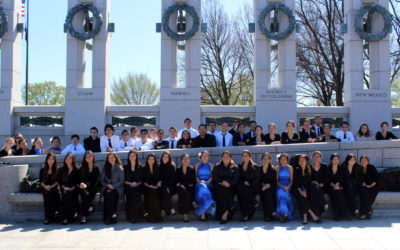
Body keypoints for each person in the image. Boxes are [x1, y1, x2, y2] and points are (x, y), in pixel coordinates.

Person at [292, 155, 320, 224]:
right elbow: (295, 183)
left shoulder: (309, 169)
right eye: (300, 160)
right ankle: (311, 214)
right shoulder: (296, 169)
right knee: (302, 197)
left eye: (303, 160)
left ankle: (305, 217)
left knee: (305, 196)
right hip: (296, 189)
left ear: (306, 161)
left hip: (306, 189)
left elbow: (308, 182)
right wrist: (301, 191)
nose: (301, 162)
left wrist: (305, 190)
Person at [213, 151, 239, 224]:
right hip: (219, 185)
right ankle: (230, 207)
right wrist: (223, 182)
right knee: (220, 190)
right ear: (222, 158)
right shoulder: (217, 166)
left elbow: (236, 179)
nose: (226, 158)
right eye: (224, 157)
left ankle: (224, 214)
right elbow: (215, 177)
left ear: (230, 158)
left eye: (227, 157)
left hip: (230, 187)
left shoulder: (235, 167)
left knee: (227, 192)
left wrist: (229, 184)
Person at [100, 152, 124, 224]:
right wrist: (107, 185)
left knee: (112, 194)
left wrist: (114, 186)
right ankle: (111, 216)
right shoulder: (105, 168)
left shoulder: (120, 168)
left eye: (112, 157)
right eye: (109, 158)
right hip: (107, 187)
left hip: (117, 188)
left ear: (115, 158)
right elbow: (102, 180)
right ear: (107, 159)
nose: (111, 159)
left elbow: (122, 180)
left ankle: (109, 217)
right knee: (107, 194)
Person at [236, 150, 259, 222]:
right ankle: (253, 202)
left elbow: (257, 179)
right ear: (242, 157)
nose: (245, 157)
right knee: (242, 192)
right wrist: (244, 182)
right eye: (243, 156)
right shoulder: (239, 166)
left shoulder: (255, 167)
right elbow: (238, 178)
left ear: (250, 157)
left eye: (246, 156)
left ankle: (246, 215)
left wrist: (249, 184)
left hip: (252, 187)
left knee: (243, 194)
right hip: (243, 187)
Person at [57, 152, 80, 225]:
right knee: (66, 194)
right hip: (64, 188)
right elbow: (59, 180)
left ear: (73, 160)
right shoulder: (61, 169)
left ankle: (65, 218)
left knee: (68, 195)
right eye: (67, 158)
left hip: (73, 189)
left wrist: (73, 187)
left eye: (70, 158)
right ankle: (72, 213)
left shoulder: (76, 170)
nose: (68, 160)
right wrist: (63, 187)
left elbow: (78, 181)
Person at [78, 150, 100, 224]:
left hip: (93, 187)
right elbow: (79, 179)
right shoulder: (82, 167)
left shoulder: (96, 168)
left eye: (90, 156)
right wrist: (81, 183)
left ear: (93, 157)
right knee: (85, 193)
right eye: (86, 156)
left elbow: (96, 181)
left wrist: (87, 185)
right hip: (83, 187)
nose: (88, 157)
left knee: (86, 194)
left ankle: (84, 216)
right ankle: (90, 207)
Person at [327, 153, 350, 221]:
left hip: (338, 186)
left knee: (338, 194)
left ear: (339, 160)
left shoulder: (341, 168)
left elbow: (341, 178)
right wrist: (334, 185)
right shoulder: (328, 168)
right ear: (331, 160)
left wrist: (337, 185)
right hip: (329, 186)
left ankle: (338, 214)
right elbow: (327, 180)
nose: (336, 161)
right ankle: (342, 214)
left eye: (337, 159)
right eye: (334, 159)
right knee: (336, 193)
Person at [124, 150, 145, 223]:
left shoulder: (140, 166)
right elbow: (123, 180)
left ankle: (137, 215)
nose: (132, 157)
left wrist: (136, 184)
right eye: (130, 156)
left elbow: (142, 179)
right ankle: (132, 216)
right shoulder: (125, 166)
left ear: (136, 157)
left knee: (135, 191)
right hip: (128, 186)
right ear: (128, 157)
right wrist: (130, 184)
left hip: (138, 186)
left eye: (134, 156)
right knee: (132, 192)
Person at [141, 153, 163, 222]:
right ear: (147, 160)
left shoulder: (158, 167)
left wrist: (160, 182)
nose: (151, 160)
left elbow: (161, 178)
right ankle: (150, 216)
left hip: (157, 186)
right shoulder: (144, 168)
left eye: (152, 159)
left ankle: (157, 216)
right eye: (149, 159)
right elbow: (143, 181)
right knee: (151, 193)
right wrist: (149, 186)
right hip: (147, 186)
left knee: (155, 193)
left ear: (155, 160)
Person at [194, 150, 216, 220]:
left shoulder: (211, 166)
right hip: (199, 183)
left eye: (206, 155)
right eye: (203, 155)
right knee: (201, 187)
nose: (204, 157)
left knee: (203, 188)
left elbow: (212, 177)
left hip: (208, 183)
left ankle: (202, 214)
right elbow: (196, 177)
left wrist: (205, 183)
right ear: (201, 157)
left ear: (208, 157)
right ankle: (210, 202)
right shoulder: (197, 165)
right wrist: (200, 181)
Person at [40, 152, 60, 224]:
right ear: (47, 160)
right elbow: (41, 181)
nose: (51, 160)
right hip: (44, 187)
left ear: (55, 160)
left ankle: (49, 216)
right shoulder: (43, 170)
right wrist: (46, 186)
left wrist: (51, 187)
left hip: (53, 187)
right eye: (49, 159)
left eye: (52, 159)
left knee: (51, 194)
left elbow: (58, 181)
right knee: (47, 194)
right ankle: (49, 216)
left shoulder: (57, 170)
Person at [175, 154, 196, 222]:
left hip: (189, 188)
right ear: (181, 160)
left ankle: (185, 214)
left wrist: (182, 183)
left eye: (187, 159)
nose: (185, 160)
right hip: (181, 188)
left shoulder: (192, 168)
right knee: (183, 190)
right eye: (184, 159)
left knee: (185, 193)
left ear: (189, 160)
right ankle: (192, 202)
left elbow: (193, 181)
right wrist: (185, 183)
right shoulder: (178, 169)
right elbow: (176, 180)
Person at [359, 155, 379, 219]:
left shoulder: (371, 167)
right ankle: (368, 211)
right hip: (365, 187)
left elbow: (377, 179)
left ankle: (364, 214)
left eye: (365, 160)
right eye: (362, 161)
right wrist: (363, 183)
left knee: (367, 195)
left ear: (368, 162)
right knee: (362, 193)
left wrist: (370, 186)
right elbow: (359, 180)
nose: (363, 162)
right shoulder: (359, 169)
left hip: (374, 186)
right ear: (360, 162)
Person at [309, 151, 329, 217]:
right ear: (312, 158)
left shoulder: (324, 166)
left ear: (321, 158)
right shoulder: (309, 167)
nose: (316, 158)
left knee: (316, 191)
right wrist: (313, 182)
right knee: (315, 188)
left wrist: (322, 184)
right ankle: (324, 203)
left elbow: (326, 178)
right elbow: (308, 178)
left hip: (322, 187)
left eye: (318, 157)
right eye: (315, 157)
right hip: (312, 187)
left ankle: (316, 214)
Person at [276, 153, 294, 222]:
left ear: (287, 160)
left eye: (285, 159)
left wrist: (287, 187)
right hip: (280, 186)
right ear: (279, 160)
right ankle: (285, 213)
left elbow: (291, 180)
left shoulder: (290, 168)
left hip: (288, 185)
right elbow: (277, 181)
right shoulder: (277, 168)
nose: (283, 160)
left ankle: (283, 214)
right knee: (281, 194)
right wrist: (283, 187)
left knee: (285, 195)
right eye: (281, 159)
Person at [259, 152, 277, 221]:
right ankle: (272, 212)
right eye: (264, 159)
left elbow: (274, 182)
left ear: (270, 160)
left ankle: (267, 215)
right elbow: (258, 180)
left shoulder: (273, 170)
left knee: (268, 192)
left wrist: (268, 185)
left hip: (271, 188)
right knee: (265, 192)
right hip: (261, 187)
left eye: (267, 159)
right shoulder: (259, 169)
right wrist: (263, 185)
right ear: (262, 160)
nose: (265, 160)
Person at [159, 151, 177, 216]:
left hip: (171, 186)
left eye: (167, 157)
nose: (165, 158)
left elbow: (172, 180)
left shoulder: (172, 166)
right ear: (162, 157)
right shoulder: (159, 166)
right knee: (163, 190)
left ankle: (168, 210)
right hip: (162, 186)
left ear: (169, 158)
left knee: (165, 191)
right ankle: (170, 209)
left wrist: (162, 182)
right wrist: (160, 182)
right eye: (164, 157)